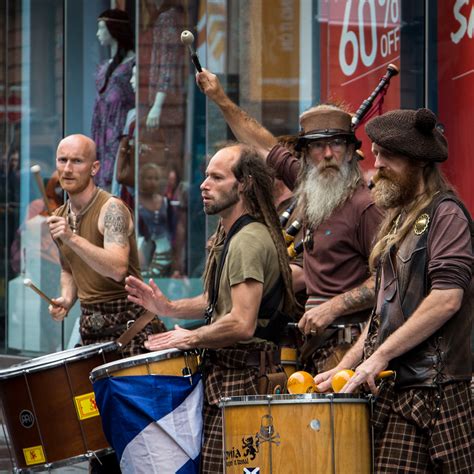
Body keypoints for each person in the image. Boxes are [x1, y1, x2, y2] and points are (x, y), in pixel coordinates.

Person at [196, 69, 384, 373]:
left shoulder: (366, 206)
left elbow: (389, 281)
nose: (327, 155)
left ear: (350, 151)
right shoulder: (309, 183)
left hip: (351, 350)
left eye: (336, 144)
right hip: (312, 346)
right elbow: (261, 143)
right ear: (306, 154)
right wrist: (219, 97)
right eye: (317, 146)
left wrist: (334, 306)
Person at [316, 108, 473, 472]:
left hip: (437, 393)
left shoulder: (445, 214)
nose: (377, 163)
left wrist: (380, 356)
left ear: (418, 161)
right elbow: (384, 314)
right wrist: (350, 363)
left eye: (388, 155)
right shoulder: (399, 220)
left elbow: (447, 299)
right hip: (401, 389)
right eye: (376, 152)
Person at [125, 143, 296, 473]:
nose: (204, 185)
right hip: (233, 376)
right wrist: (169, 306)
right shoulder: (233, 233)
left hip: (243, 378)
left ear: (243, 183)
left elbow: (242, 322)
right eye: (205, 177)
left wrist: (188, 339)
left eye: (217, 177)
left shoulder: (247, 240)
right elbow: (220, 301)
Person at [47, 134, 164, 356]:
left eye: (77, 161)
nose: (68, 169)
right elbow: (68, 268)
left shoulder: (112, 209)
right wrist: (67, 299)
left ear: (94, 168)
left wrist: (71, 237)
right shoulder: (60, 217)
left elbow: (117, 269)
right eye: (62, 160)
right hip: (90, 324)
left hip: (129, 324)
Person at [92, 9, 135, 192]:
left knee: (116, 180)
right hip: (101, 127)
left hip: (119, 130)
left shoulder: (133, 63)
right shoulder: (108, 65)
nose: (98, 33)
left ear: (114, 29)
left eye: (102, 28)